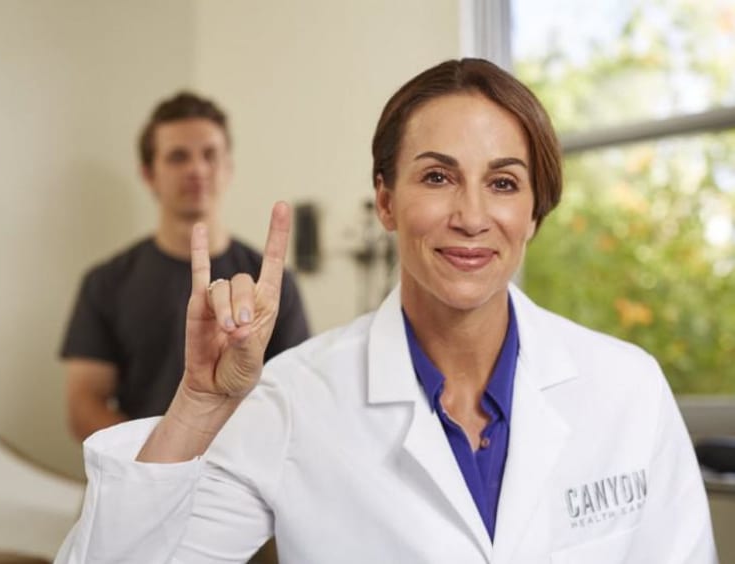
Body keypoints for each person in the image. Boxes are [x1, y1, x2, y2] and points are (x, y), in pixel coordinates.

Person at [56, 59, 717, 563]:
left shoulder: (628, 387)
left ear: (534, 213)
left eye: (504, 183)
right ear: (386, 200)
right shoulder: (293, 401)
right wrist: (198, 406)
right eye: (437, 177)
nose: (471, 216)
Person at [60, 92, 310, 441]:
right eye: (178, 157)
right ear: (149, 174)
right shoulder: (106, 282)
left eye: (210, 155)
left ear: (228, 168)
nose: (196, 169)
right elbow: (84, 403)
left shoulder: (272, 284)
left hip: (240, 479)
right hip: (141, 474)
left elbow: (295, 400)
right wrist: (161, 458)